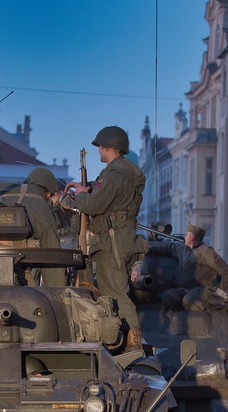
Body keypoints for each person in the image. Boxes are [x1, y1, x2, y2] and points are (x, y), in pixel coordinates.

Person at [67, 125, 146, 352]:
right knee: (117, 291)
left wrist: (82, 195)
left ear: (107, 147)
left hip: (111, 241)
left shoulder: (113, 174)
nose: (98, 151)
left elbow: (94, 204)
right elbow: (114, 195)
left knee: (115, 294)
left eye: (100, 147)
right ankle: (126, 340)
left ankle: (133, 344)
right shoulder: (127, 171)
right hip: (124, 238)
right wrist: (90, 186)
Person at [0, 167, 66, 287]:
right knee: (32, 301)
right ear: (49, 193)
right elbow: (52, 254)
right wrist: (59, 292)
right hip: (11, 262)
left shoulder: (1, 187)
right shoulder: (42, 207)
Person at [160, 224, 228, 311]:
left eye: (186, 234)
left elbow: (223, 268)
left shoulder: (205, 251)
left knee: (190, 299)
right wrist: (149, 249)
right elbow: (168, 248)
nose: (185, 237)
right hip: (186, 289)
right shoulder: (182, 250)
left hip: (206, 289)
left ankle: (206, 314)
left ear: (192, 237)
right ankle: (181, 317)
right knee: (168, 296)